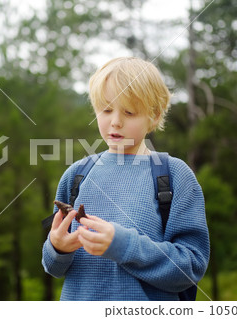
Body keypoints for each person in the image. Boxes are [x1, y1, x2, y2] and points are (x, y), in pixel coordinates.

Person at [42, 57, 210, 301]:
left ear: (154, 116)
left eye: (129, 112)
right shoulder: (76, 175)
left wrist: (123, 246)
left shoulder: (173, 175)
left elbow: (191, 266)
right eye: (106, 110)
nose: (116, 121)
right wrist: (57, 248)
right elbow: (53, 267)